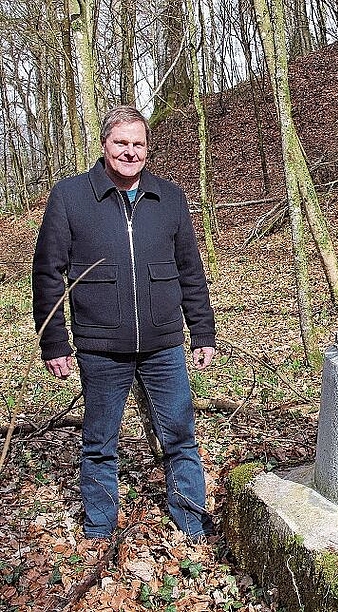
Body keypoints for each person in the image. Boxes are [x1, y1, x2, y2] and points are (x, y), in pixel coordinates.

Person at [32, 106, 217, 541]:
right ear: (104, 145)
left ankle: (191, 524)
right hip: (100, 346)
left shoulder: (169, 197)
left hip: (164, 344)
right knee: (99, 445)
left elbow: (190, 269)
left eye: (138, 144)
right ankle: (99, 530)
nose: (130, 152)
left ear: (148, 149)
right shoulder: (71, 196)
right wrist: (54, 342)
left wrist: (202, 331)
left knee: (180, 437)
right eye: (121, 143)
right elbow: (47, 272)